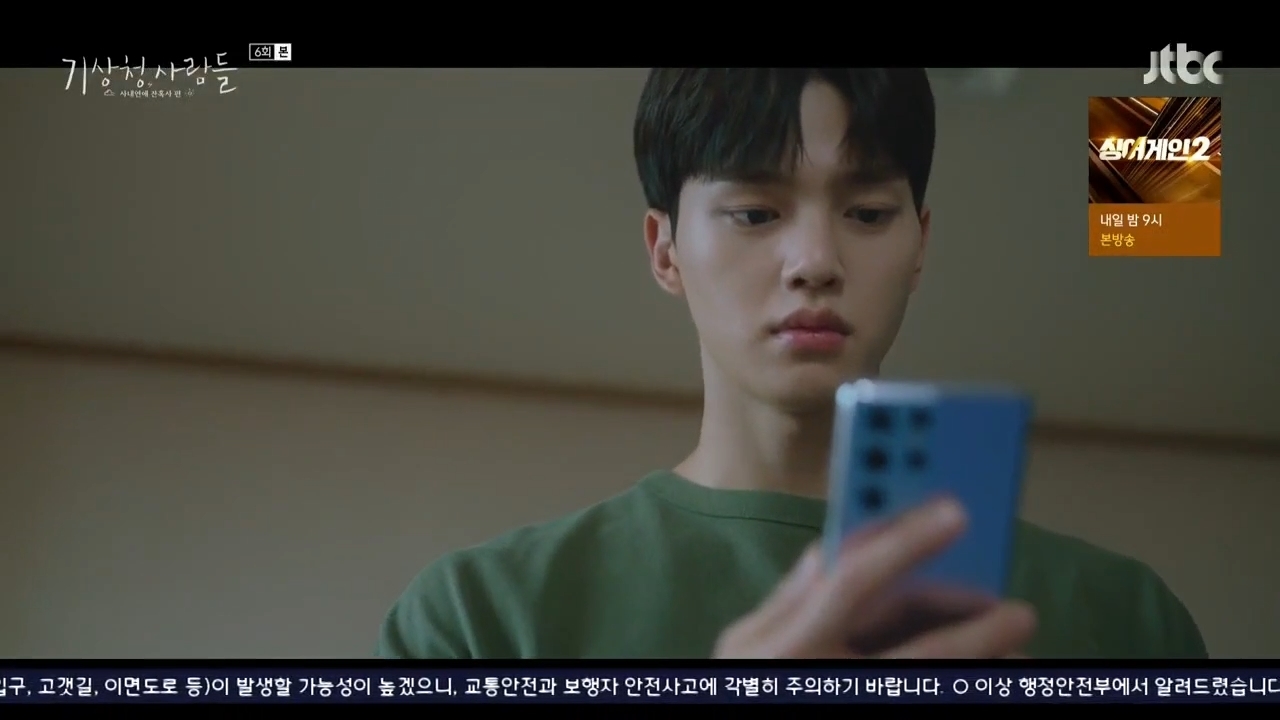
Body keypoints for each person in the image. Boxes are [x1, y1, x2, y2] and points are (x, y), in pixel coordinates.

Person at [376, 68, 1208, 659]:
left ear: (920, 245)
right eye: (753, 212)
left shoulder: (1127, 620)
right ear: (664, 250)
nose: (815, 261)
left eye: (868, 213)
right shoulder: (480, 618)